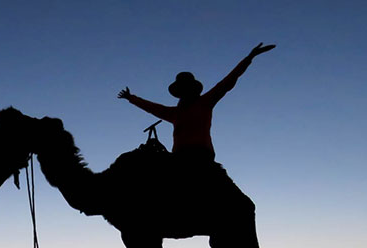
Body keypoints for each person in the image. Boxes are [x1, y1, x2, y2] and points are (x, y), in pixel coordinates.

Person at [117, 43, 275, 161]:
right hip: (179, 155)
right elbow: (151, 107)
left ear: (193, 89)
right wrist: (131, 98)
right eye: (182, 89)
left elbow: (228, 81)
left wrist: (249, 58)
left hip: (201, 154)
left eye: (187, 88)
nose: (185, 92)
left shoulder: (205, 102)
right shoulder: (174, 113)